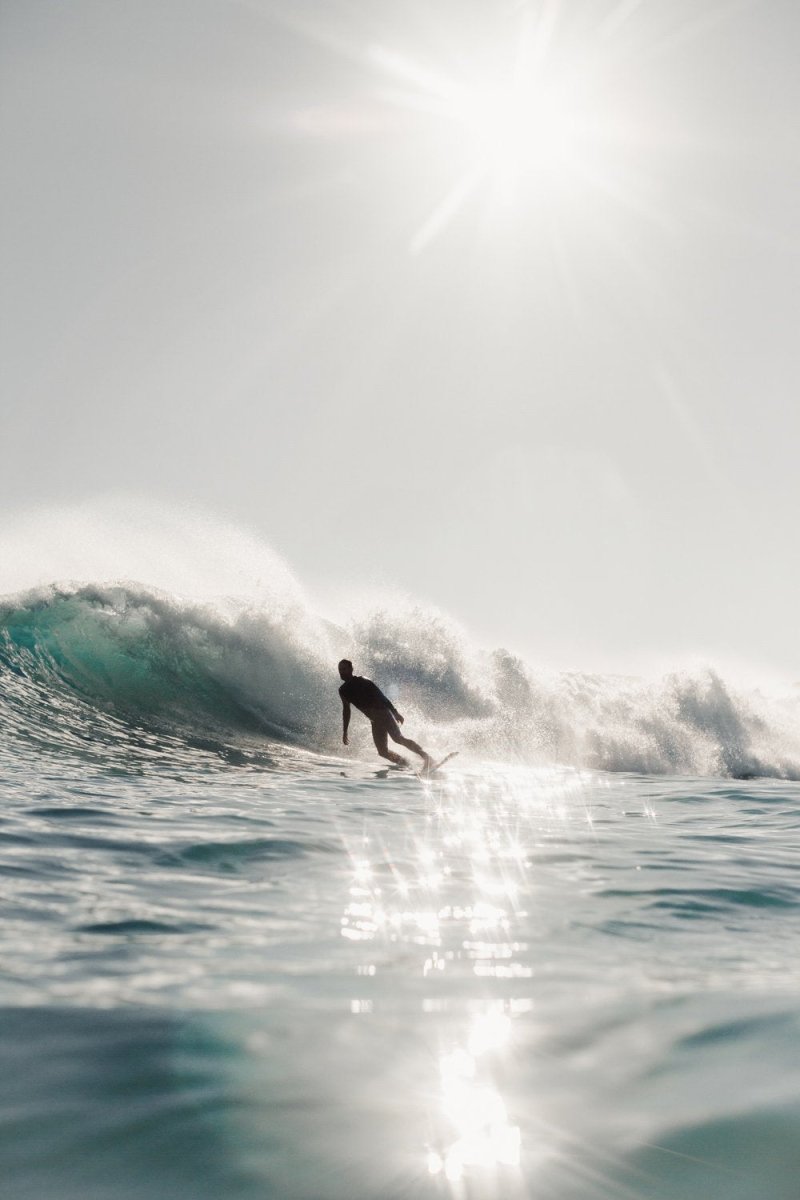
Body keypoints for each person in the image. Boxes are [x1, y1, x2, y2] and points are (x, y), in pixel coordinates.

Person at [338, 659, 431, 768]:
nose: (341, 672)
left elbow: (382, 697)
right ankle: (406, 765)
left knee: (398, 739)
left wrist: (395, 712)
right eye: (340, 670)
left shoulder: (363, 681)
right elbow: (346, 711)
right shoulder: (343, 690)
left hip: (383, 714)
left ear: (351, 669)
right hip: (375, 721)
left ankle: (427, 758)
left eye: (344, 669)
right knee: (382, 751)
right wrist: (345, 731)